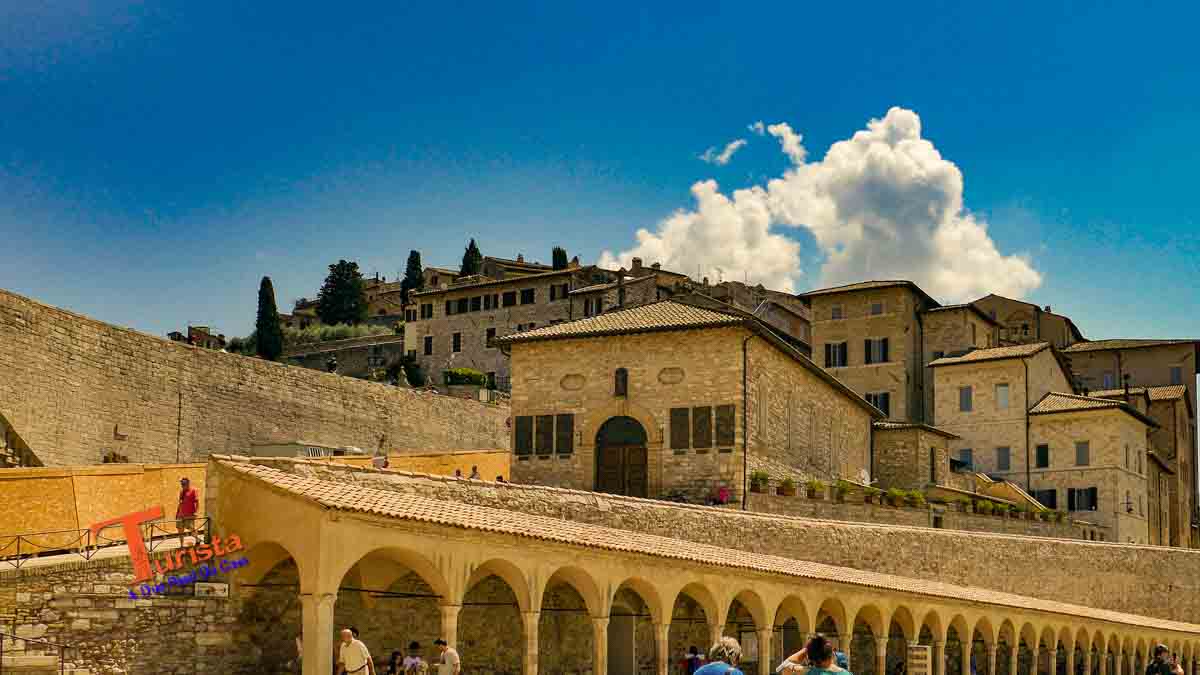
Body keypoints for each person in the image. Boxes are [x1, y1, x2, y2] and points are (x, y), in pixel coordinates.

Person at [176, 477, 200, 546]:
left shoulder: (193, 491)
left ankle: (197, 539)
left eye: (184, 484)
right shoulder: (182, 492)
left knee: (192, 529)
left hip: (189, 514)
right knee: (180, 530)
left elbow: (197, 502)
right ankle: (181, 545)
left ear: (188, 483)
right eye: (182, 484)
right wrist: (177, 514)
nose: (182, 485)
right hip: (181, 515)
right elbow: (180, 503)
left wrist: (196, 512)